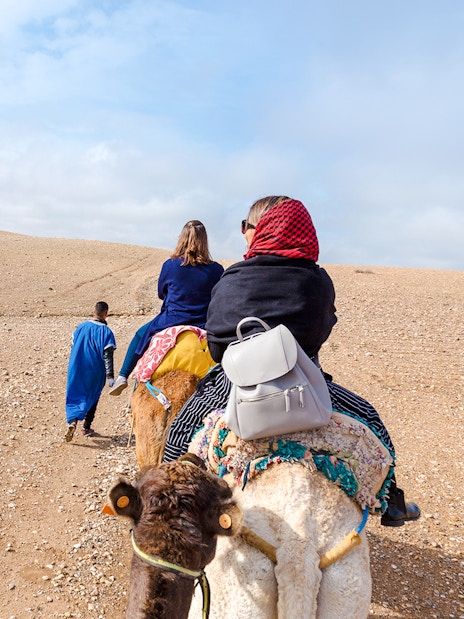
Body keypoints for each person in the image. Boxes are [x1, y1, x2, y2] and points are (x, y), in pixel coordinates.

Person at [163, 195, 420, 528]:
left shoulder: (232, 278)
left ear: (258, 229)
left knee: (180, 432)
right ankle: (393, 504)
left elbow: (216, 347)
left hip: (235, 386)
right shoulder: (317, 280)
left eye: (247, 227)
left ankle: (166, 507)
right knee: (370, 418)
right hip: (303, 382)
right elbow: (321, 332)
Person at [109, 220, 224, 396]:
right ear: (204, 241)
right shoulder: (216, 270)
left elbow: (161, 293)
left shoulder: (170, 265)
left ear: (182, 238)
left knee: (140, 334)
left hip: (171, 320)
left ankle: (122, 376)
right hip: (204, 323)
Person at [65, 301, 116, 441]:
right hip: (95, 370)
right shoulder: (106, 332)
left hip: (77, 367)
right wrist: (110, 376)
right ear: (106, 314)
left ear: (94, 311)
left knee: (75, 394)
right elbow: (108, 355)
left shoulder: (81, 327)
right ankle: (86, 426)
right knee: (93, 396)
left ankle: (73, 421)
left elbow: (73, 346)